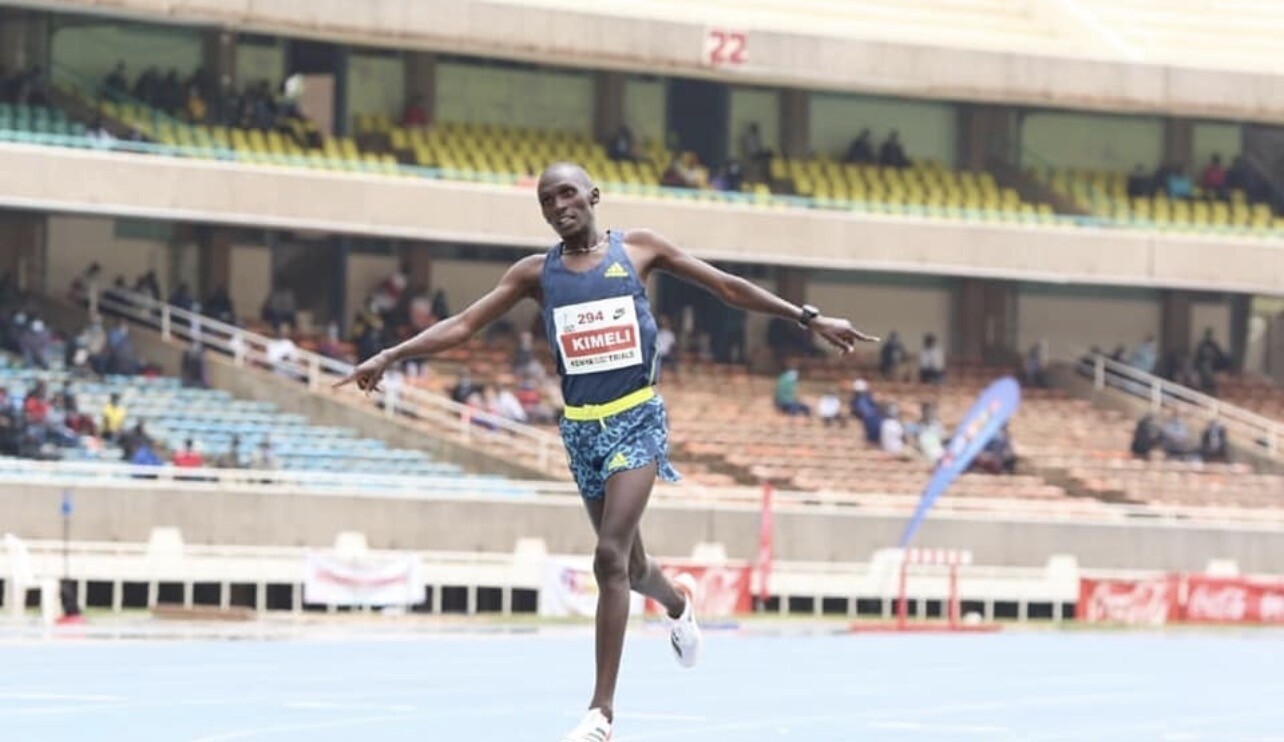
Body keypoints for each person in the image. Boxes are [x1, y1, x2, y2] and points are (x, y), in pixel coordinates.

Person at [334, 162, 879, 742]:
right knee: (632, 568)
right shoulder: (535, 273)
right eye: (547, 200)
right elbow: (465, 324)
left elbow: (725, 286)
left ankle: (601, 713)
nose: (558, 206)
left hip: (636, 420)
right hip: (581, 432)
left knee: (608, 557)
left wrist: (807, 317)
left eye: (567, 193)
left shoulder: (638, 250)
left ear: (593, 196)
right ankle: (678, 604)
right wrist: (390, 355)